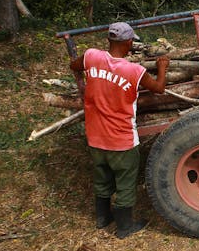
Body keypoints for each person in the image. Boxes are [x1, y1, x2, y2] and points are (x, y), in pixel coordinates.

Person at [70, 22, 169, 239]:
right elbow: (159, 88)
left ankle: (103, 218)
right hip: (121, 140)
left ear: (108, 39)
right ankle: (124, 227)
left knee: (102, 177)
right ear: (129, 42)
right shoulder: (134, 71)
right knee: (125, 183)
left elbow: (74, 65)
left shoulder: (91, 57)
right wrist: (162, 67)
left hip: (95, 137)